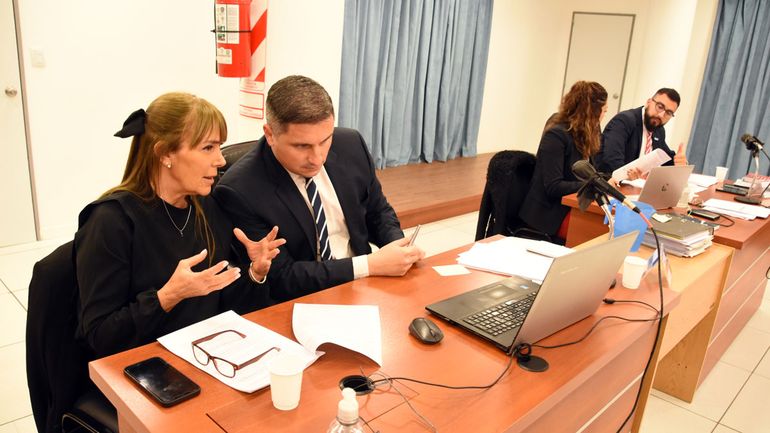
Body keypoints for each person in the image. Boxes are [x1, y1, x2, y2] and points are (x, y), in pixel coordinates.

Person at [75, 92, 285, 358]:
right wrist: (167, 297)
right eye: (208, 148)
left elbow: (222, 303)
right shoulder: (111, 221)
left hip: (206, 352)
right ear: (164, 153)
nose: (221, 160)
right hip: (145, 364)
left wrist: (255, 272)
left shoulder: (206, 208)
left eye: (219, 147)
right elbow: (100, 337)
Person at [213, 75, 424, 301]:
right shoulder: (240, 190)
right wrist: (369, 264)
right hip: (300, 301)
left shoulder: (351, 144)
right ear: (270, 134)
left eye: (325, 141)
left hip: (366, 287)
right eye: (302, 146)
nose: (317, 158)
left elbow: (377, 211)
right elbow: (282, 277)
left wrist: (398, 248)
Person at [519, 81, 609, 242]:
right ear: (591, 112)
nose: (604, 116)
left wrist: (604, 180)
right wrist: (593, 184)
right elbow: (553, 187)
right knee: (595, 230)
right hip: (549, 214)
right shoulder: (556, 135)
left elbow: (591, 172)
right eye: (603, 111)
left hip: (570, 204)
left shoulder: (588, 134)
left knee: (603, 226)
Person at [596, 88, 688, 179]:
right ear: (648, 102)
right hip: (614, 186)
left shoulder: (658, 130)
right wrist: (627, 178)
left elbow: (664, 156)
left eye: (668, 113)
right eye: (660, 107)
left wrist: (678, 163)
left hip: (639, 187)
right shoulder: (624, 120)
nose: (661, 115)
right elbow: (611, 160)